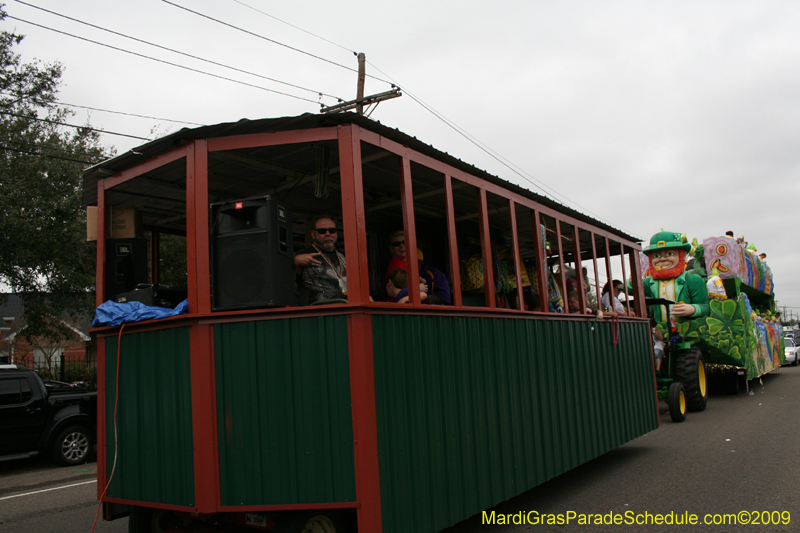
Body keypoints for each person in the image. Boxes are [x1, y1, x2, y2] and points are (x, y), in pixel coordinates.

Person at [642, 231, 710, 329]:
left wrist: (693, 309)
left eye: (670, 254)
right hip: (659, 332)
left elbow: (705, 308)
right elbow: (627, 287)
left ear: (681, 255)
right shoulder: (648, 282)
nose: (663, 259)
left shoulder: (693, 280)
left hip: (687, 330)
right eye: (656, 256)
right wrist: (631, 280)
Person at [294, 215, 346, 304]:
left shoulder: (343, 257)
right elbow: (284, 281)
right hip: (315, 311)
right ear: (313, 234)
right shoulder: (303, 254)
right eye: (322, 231)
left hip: (343, 308)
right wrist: (295, 262)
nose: (328, 234)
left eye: (332, 230)